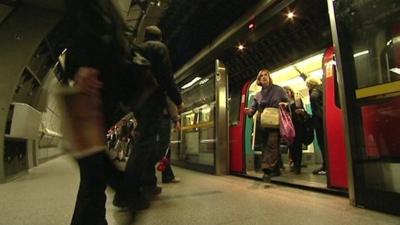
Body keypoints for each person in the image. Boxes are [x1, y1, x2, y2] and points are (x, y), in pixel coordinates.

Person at [63, 0, 134, 224]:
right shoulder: (111, 9)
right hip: (107, 81)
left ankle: (123, 187)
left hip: (96, 81)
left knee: (89, 157)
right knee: (91, 157)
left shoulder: (97, 9)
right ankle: (122, 189)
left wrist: (81, 64)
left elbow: (86, 22)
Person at [113, 25, 183, 206]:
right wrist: (178, 99)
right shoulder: (159, 48)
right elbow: (167, 78)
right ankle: (127, 192)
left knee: (145, 144)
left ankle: (141, 185)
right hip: (152, 101)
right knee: (146, 145)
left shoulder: (136, 50)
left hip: (138, 103)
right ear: (160, 37)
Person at [244, 69, 289, 182]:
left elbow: (288, 102)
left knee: (272, 144)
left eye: (266, 75)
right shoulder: (258, 95)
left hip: (274, 122)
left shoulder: (278, 89)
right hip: (262, 123)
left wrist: (285, 104)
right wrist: (249, 111)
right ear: (259, 80)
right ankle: (275, 169)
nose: (264, 77)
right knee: (265, 146)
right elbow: (253, 110)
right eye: (261, 76)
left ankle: (266, 169)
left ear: (269, 77)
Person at [305, 77, 327, 175]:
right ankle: (327, 165)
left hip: (320, 122)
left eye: (307, 85)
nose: (307, 87)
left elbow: (314, 99)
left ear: (310, 84)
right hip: (325, 120)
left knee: (322, 144)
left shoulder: (315, 91)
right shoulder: (323, 88)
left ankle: (326, 167)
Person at [283, 86, 306, 174]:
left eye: (287, 91)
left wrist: (301, 111)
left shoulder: (297, 99)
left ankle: (298, 166)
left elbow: (302, 110)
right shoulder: (283, 103)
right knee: (291, 146)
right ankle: (294, 163)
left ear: (290, 91)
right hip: (289, 127)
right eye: (284, 92)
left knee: (298, 146)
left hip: (298, 125)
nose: (286, 93)